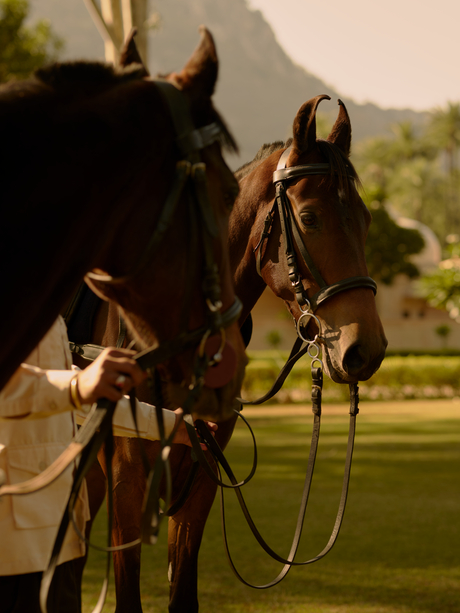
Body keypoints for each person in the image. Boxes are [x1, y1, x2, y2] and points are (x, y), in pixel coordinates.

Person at [0, 315, 216, 613]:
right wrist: (74, 386)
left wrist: (172, 425)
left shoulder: (45, 310)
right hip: (10, 541)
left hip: (55, 535)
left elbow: (83, 402)